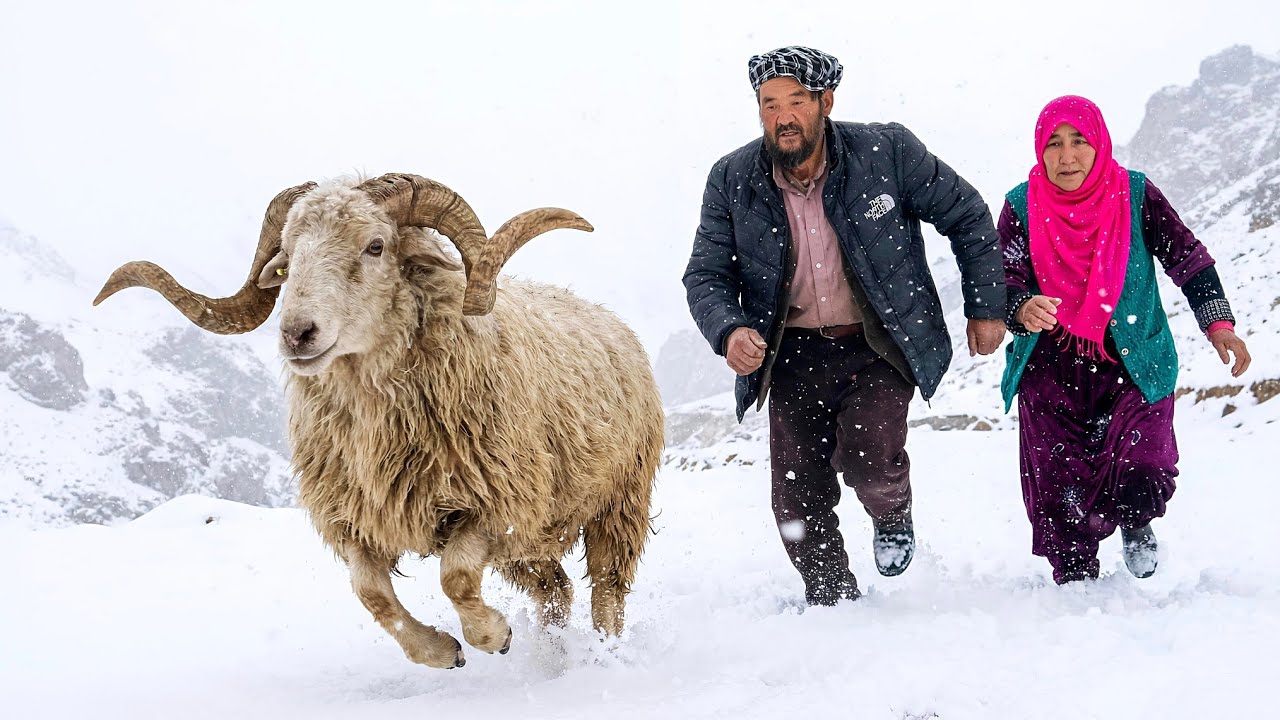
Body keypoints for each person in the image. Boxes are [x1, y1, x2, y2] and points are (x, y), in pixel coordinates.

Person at [682, 46, 1006, 605]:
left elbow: (967, 215)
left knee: (868, 454)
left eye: (797, 102)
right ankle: (833, 600)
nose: (783, 117)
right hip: (791, 354)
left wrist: (986, 305)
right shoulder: (731, 179)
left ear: (826, 102)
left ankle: (892, 512)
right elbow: (705, 274)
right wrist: (729, 330)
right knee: (795, 495)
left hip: (879, 342)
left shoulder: (887, 151)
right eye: (769, 104)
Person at [999, 95, 1252, 585]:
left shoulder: (1134, 194)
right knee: (1059, 488)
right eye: (1053, 143)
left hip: (1134, 362)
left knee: (1145, 462)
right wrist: (1020, 306)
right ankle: (1075, 584)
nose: (1066, 156)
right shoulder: (1019, 206)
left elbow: (1188, 258)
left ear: (1099, 144)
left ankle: (1136, 521)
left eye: (1079, 141)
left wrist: (1219, 324)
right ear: (1039, 148)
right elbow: (1003, 277)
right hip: (1050, 369)